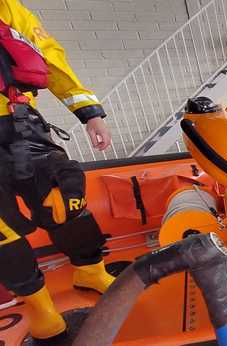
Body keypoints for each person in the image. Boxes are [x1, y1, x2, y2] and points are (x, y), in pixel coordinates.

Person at [0, 0, 114, 340]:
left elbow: (50, 57)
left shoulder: (10, 10)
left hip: (21, 125)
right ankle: (39, 306)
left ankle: (89, 270)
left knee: (65, 198)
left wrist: (90, 113)